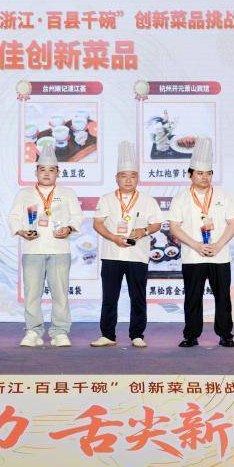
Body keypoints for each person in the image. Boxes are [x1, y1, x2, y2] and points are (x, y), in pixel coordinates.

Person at [169, 137, 234, 348]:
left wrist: (218, 245)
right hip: (193, 256)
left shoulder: (224, 196)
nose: (205, 177)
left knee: (223, 297)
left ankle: (225, 334)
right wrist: (196, 245)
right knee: (193, 297)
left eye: (208, 173)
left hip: (220, 255)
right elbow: (174, 227)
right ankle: (191, 335)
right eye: (200, 173)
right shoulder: (181, 198)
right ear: (190, 174)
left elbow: (233, 223)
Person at [8, 145, 83, 348]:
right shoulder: (24, 193)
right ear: (36, 172)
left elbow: (77, 217)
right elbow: (14, 217)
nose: (47, 174)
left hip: (59, 250)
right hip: (33, 249)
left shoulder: (67, 193)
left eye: (51, 170)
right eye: (42, 170)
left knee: (60, 294)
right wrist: (21, 231)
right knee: (32, 293)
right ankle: (33, 331)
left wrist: (69, 228)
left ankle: (60, 332)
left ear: (58, 172)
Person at [90, 141, 163, 348]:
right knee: (109, 297)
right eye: (124, 175)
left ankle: (137, 335)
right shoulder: (106, 199)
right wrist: (113, 237)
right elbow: (97, 223)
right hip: (112, 254)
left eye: (133, 176)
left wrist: (143, 231)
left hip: (137, 255)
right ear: (117, 178)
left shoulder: (148, 200)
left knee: (138, 297)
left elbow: (157, 224)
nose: (128, 180)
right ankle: (107, 335)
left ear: (138, 178)